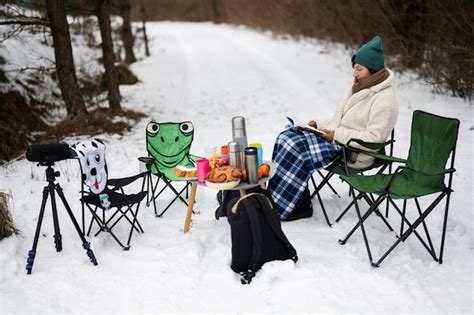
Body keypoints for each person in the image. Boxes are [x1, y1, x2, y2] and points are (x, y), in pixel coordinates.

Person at [268, 35, 399, 220]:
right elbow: (337, 120)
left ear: (373, 69)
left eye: (359, 69)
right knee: (287, 136)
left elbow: (375, 137)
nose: (355, 74)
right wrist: (315, 125)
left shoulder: (385, 99)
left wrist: (336, 135)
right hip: (338, 141)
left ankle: (290, 206)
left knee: (295, 146)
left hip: (354, 152)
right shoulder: (358, 86)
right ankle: (282, 196)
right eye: (355, 69)